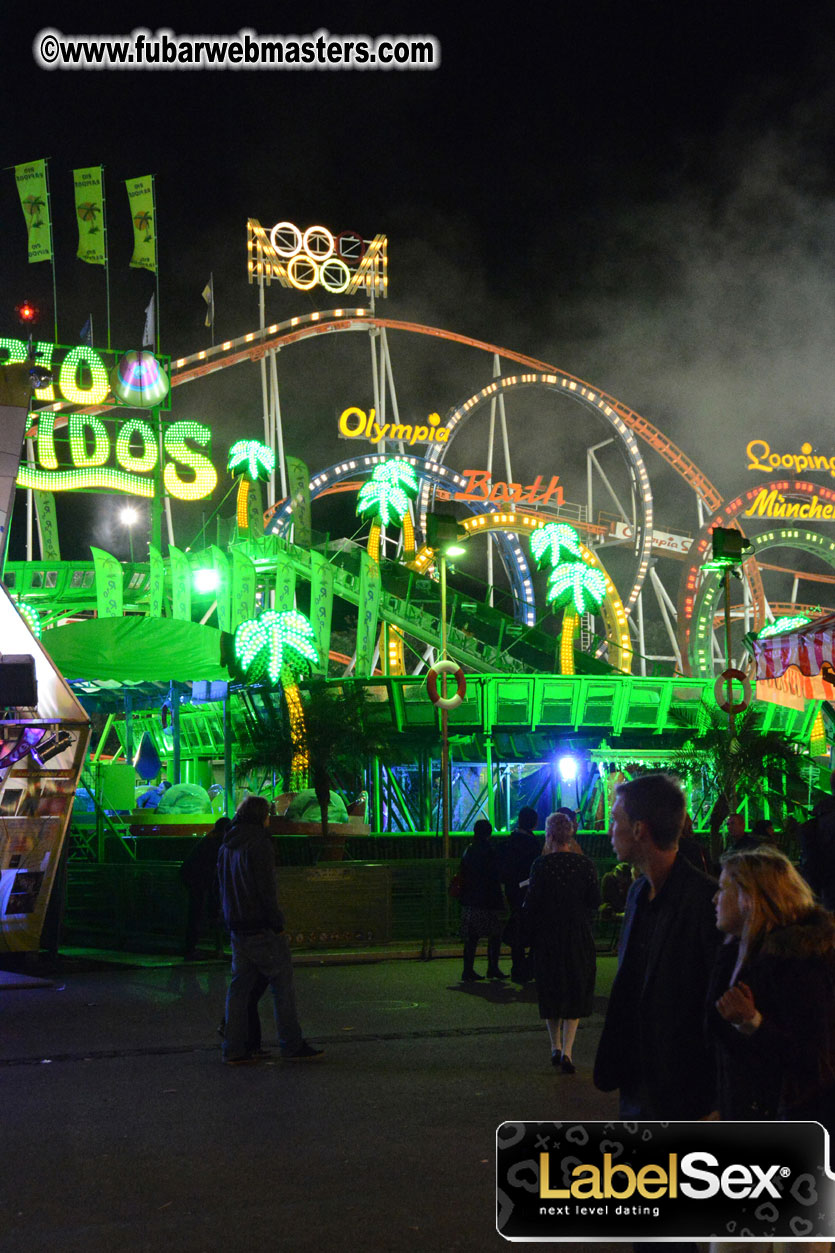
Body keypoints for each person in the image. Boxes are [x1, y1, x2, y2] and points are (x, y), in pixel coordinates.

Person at [594, 772, 720, 1119]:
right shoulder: (638, 893)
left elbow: (715, 1001)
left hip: (683, 1090)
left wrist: (714, 1101)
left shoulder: (705, 901)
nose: (609, 831)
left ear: (639, 829)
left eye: (615, 820)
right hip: (636, 1079)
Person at [707, 847, 835, 1132]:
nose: (715, 898)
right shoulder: (739, 951)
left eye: (723, 888)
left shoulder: (800, 963)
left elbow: (815, 1062)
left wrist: (753, 1023)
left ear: (749, 898)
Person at [217, 795, 323, 1065]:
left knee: (239, 989)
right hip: (260, 926)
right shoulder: (260, 844)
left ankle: (233, 1047)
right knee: (282, 986)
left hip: (237, 925)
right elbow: (266, 889)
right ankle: (291, 1043)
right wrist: (277, 923)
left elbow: (223, 885)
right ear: (262, 816)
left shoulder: (227, 844)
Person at [523, 812, 599, 1073]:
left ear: (549, 835)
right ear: (570, 835)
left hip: (548, 935)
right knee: (575, 987)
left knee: (551, 988)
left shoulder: (540, 865)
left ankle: (554, 1046)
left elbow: (531, 903)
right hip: (577, 933)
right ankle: (568, 1051)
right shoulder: (585, 865)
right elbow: (594, 900)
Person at [459, 818, 506, 982]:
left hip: (471, 898)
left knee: (472, 937)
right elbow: (496, 874)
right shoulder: (490, 851)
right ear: (489, 833)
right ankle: (492, 967)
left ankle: (468, 969)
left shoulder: (469, 850)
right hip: (488, 900)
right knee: (495, 935)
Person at [499, 806, 541, 983]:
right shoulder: (533, 843)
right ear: (534, 823)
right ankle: (528, 967)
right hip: (530, 889)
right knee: (535, 928)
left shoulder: (509, 841)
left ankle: (518, 966)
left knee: (518, 925)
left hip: (513, 889)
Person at [180, 816, 229, 960]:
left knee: (197, 913)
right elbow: (211, 869)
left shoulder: (210, 840)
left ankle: (193, 948)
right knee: (200, 913)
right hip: (198, 879)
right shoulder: (215, 843)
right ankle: (195, 949)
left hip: (195, 878)